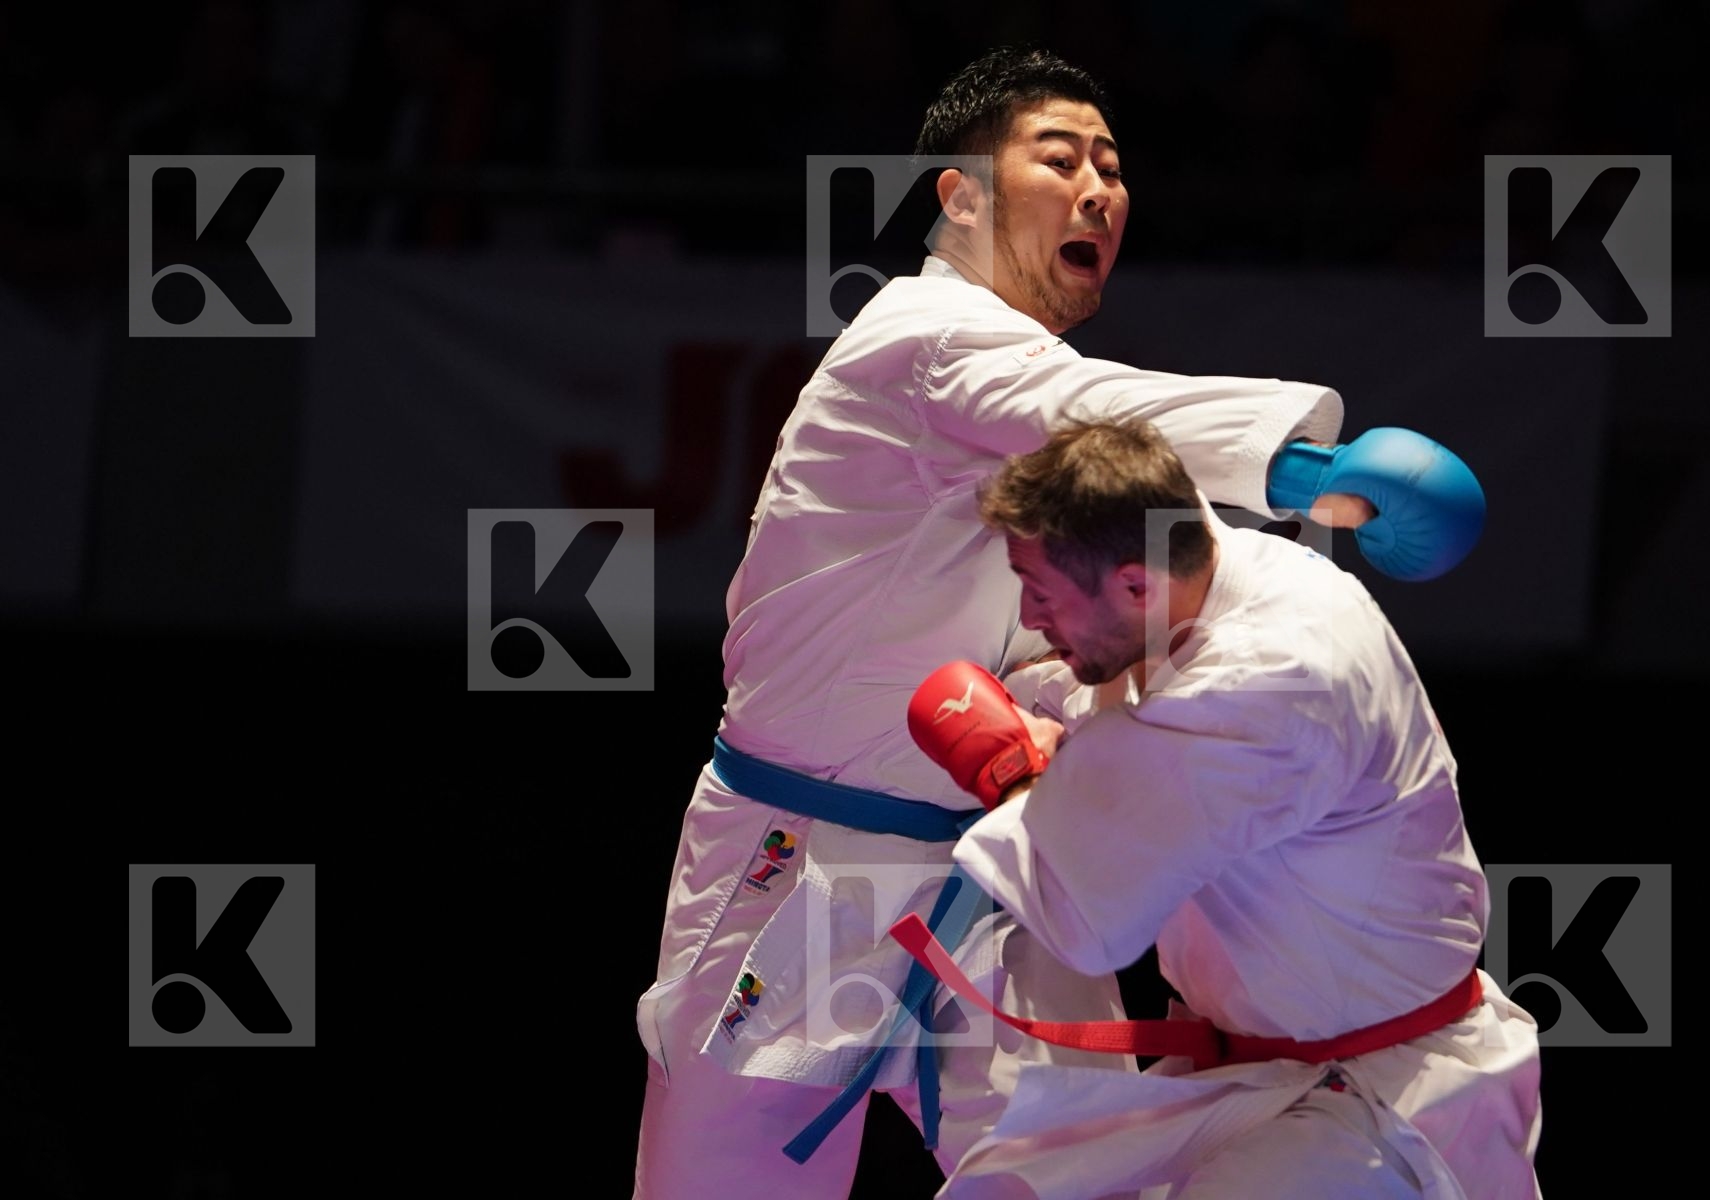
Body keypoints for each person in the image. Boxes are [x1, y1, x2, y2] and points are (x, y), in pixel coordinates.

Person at [633, 46, 1485, 1197]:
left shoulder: (1011, 405)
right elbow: (1098, 414)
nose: (1099, 188)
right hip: (801, 873)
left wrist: (1059, 726)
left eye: (1113, 166)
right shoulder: (924, 339)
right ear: (962, 193)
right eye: (1061, 158)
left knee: (1081, 1182)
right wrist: (1310, 470)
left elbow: (1080, 601)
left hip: (986, 878)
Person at [902, 417, 1541, 1198]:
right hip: (1266, 1072)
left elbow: (1080, 912)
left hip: (1379, 1102)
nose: (1030, 619)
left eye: (1040, 594)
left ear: (1136, 582)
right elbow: (1130, 707)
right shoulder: (1229, 574)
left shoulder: (1270, 680)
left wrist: (1011, 767)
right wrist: (1055, 706)